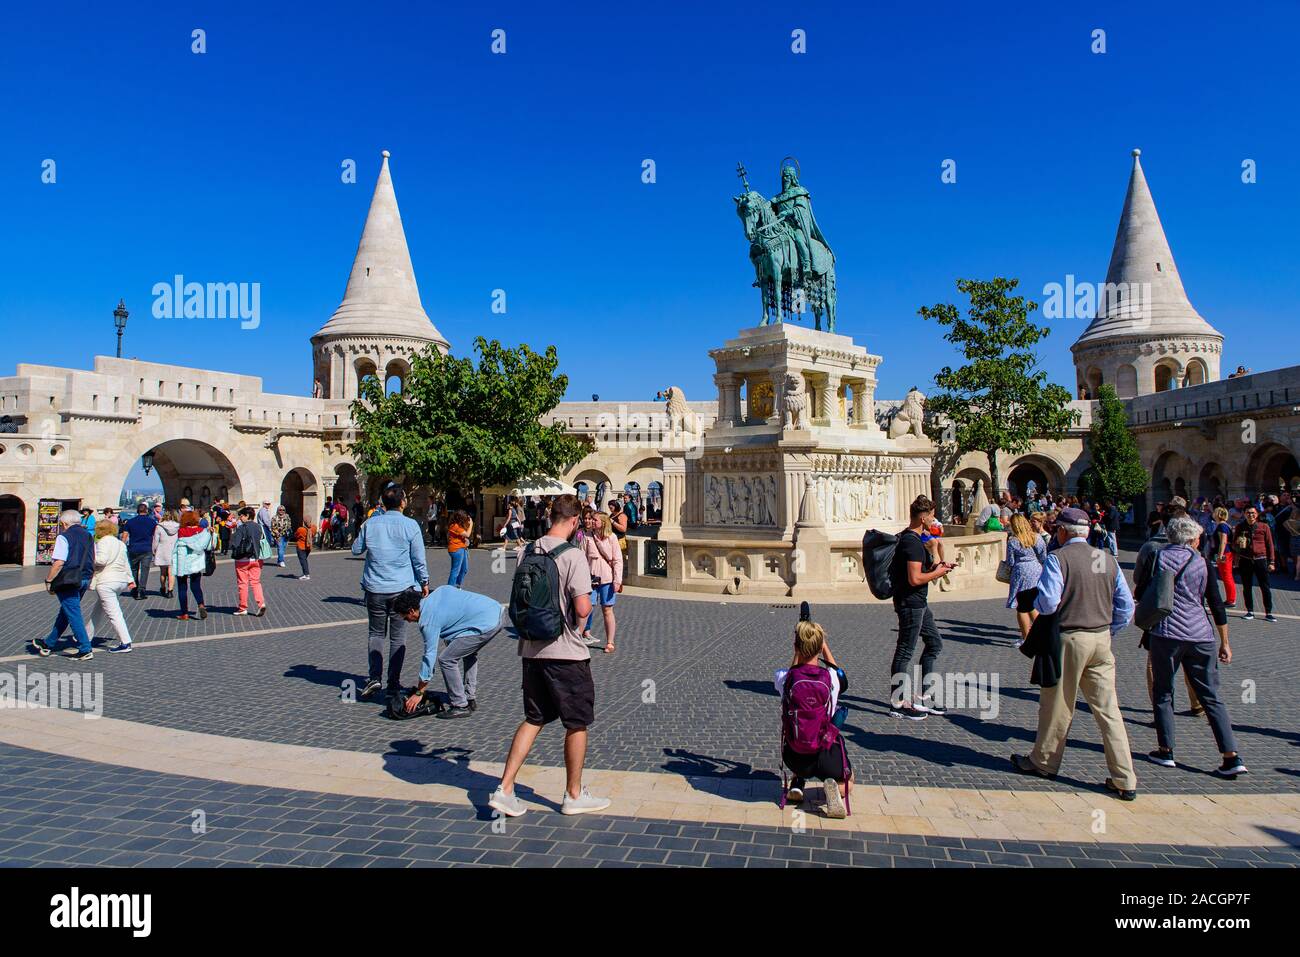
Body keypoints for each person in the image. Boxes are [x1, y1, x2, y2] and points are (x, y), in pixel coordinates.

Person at [489, 494, 610, 818]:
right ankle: (573, 794)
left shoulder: (527, 550)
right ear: (573, 522)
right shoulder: (572, 555)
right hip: (566, 652)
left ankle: (505, 788)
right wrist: (580, 620)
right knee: (577, 722)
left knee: (534, 718)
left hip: (531, 649)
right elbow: (583, 607)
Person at [1012, 506, 1138, 800]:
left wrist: (1039, 605)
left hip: (1069, 637)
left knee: (1058, 704)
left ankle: (1044, 761)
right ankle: (1125, 777)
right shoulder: (1106, 559)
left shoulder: (1059, 558)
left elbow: (1049, 603)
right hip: (1101, 638)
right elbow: (1126, 606)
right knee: (1108, 710)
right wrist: (1109, 629)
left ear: (1063, 532)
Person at [1132, 515, 1247, 778]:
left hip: (1166, 633)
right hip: (1201, 635)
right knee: (1212, 697)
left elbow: (1142, 593)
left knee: (1163, 692)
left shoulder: (1158, 557)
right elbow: (1216, 604)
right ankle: (1231, 756)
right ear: (1192, 539)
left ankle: (1166, 750)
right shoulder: (1201, 561)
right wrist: (1225, 642)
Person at [352, 483, 429, 700]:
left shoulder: (371, 523)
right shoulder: (410, 525)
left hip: (375, 588)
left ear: (383, 503)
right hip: (401, 588)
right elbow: (418, 559)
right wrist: (424, 581)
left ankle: (374, 677)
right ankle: (393, 683)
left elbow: (356, 549)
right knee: (398, 637)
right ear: (403, 502)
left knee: (376, 633)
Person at [887, 496, 956, 720]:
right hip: (910, 602)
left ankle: (926, 696)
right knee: (905, 651)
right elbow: (915, 578)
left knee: (934, 643)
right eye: (932, 516)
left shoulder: (918, 540)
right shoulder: (912, 542)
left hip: (919, 602)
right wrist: (940, 572)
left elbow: (925, 571)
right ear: (923, 517)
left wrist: (938, 560)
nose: (935, 520)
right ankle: (897, 703)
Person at [776, 618, 852, 819]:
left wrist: (798, 652)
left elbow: (791, 672)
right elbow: (839, 674)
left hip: (793, 754)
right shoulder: (831, 678)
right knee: (849, 782)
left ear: (796, 647)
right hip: (824, 751)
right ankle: (833, 788)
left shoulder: (785, 679)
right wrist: (824, 647)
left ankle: (798, 781)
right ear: (819, 648)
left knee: (800, 730)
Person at [395, 585, 505, 719]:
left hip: (486, 624)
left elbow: (429, 656)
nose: (408, 622)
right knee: (467, 652)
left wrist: (419, 692)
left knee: (446, 659)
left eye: (406, 618)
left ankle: (460, 705)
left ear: (412, 611)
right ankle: (469, 698)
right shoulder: (439, 592)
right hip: (496, 611)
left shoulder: (428, 621)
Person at [29, 510, 96, 660]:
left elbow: (59, 562)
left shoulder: (64, 537)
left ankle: (85, 648)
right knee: (66, 611)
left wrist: (49, 580)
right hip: (85, 577)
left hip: (69, 579)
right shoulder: (89, 536)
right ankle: (48, 643)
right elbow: (93, 557)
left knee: (73, 613)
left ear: (65, 523)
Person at [88, 520, 136, 653]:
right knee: (99, 609)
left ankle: (125, 642)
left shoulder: (103, 542)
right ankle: (86, 636)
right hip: (120, 580)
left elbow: (101, 560)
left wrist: (90, 557)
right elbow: (126, 563)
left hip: (107, 581)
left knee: (114, 613)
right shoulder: (120, 544)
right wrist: (130, 580)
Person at [581, 510, 623, 653]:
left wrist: (617, 580)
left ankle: (610, 642)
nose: (592, 522)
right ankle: (578, 638)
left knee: (607, 610)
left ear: (603, 523)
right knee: (586, 609)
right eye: (591, 519)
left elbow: (618, 560)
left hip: (607, 579)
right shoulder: (586, 537)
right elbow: (581, 559)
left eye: (595, 520)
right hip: (590, 579)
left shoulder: (612, 538)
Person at [1005, 513, 1046, 644]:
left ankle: (1026, 638)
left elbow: (1010, 562)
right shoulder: (1037, 537)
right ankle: (1042, 633)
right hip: (1036, 569)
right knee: (1033, 603)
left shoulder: (1013, 541)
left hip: (1021, 571)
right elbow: (1043, 555)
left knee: (1022, 606)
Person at [1233, 505, 1275, 621]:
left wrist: (1271, 561)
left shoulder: (1264, 526)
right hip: (1245, 559)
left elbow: (1270, 544)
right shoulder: (1240, 527)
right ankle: (1250, 611)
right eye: (1248, 513)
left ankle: (1268, 612)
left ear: (1257, 514)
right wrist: (1237, 543)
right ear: (1244, 514)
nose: (1250, 515)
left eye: (1253, 513)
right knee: (1247, 587)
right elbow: (1234, 545)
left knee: (1265, 587)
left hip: (1261, 559)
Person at [171, 510, 211, 621]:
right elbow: (206, 547)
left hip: (184, 562)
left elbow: (180, 549)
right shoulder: (202, 531)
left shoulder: (182, 531)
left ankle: (184, 613)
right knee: (196, 586)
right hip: (196, 562)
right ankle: (201, 604)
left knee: (182, 588)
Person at [229, 507, 268, 617]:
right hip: (257, 558)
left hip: (243, 559)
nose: (240, 518)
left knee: (243, 583)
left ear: (247, 516)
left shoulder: (242, 528)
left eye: (241, 515)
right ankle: (261, 604)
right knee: (256, 582)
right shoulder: (258, 526)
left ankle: (243, 608)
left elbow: (235, 544)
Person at [121, 502, 158, 600]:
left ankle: (134, 589)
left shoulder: (130, 522)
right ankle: (142, 591)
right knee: (145, 570)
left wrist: (121, 546)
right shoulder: (152, 522)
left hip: (133, 548)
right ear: (146, 511)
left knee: (134, 570)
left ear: (137, 511)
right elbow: (155, 536)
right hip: (147, 548)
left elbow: (125, 536)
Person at [1212, 506, 1237, 606]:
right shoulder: (1225, 525)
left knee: (1227, 576)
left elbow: (1223, 541)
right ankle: (1230, 598)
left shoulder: (1222, 526)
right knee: (1227, 576)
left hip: (1225, 553)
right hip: (1227, 553)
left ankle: (1231, 599)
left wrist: (1220, 555)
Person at [152, 510, 179, 599]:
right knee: (171, 572)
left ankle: (163, 588)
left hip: (162, 550)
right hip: (173, 550)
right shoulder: (178, 526)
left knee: (163, 572)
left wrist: (154, 550)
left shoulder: (159, 527)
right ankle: (170, 590)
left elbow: (156, 540)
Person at [446, 509, 472, 587]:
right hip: (456, 549)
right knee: (455, 570)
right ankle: (450, 588)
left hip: (462, 548)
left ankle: (457, 585)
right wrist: (471, 524)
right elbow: (467, 534)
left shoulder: (458, 525)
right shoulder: (455, 526)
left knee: (464, 569)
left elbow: (463, 535)